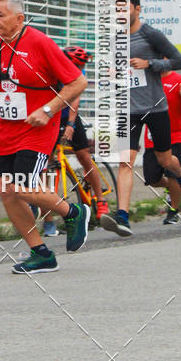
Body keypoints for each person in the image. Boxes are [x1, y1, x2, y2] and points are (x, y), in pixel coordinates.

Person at [0, 0, 89, 275]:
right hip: (5, 132)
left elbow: (77, 83)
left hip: (37, 130)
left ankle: (73, 212)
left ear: (19, 17)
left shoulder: (40, 43)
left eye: (1, 15)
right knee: (7, 192)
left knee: (22, 187)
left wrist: (48, 110)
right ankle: (41, 253)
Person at [101, 0, 181, 237]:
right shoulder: (116, 40)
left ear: (137, 9)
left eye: (125, 8)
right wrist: (114, 74)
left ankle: (180, 174)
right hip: (129, 110)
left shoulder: (150, 34)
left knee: (166, 161)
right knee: (125, 162)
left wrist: (150, 64)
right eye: (117, 9)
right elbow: (119, 71)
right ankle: (123, 216)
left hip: (156, 109)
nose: (120, 13)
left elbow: (179, 61)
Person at [48, 45, 107, 233]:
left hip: (70, 118)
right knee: (47, 162)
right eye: (77, 65)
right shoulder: (53, 72)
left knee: (83, 156)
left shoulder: (76, 76)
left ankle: (101, 200)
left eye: (82, 67)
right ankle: (49, 213)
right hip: (53, 118)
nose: (79, 70)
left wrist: (72, 125)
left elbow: (75, 100)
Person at [142, 69, 181, 224]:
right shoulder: (146, 79)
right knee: (151, 179)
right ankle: (180, 179)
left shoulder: (179, 80)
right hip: (152, 137)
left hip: (175, 135)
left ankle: (173, 210)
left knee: (172, 173)